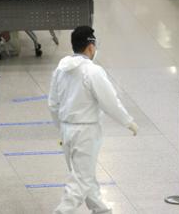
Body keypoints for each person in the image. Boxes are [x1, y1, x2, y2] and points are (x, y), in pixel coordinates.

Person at [48, 26, 138, 214]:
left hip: (66, 130)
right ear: (90, 47)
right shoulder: (92, 71)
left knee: (83, 174)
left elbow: (53, 103)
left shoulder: (61, 69)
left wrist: (61, 126)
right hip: (86, 132)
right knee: (81, 180)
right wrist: (127, 121)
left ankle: (101, 209)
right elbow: (109, 101)